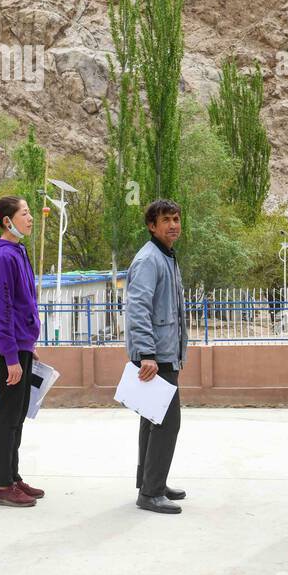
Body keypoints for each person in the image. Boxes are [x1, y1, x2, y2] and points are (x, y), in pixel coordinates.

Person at [0, 196, 44, 508]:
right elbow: (0, 309)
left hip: (21, 345)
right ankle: (1, 485)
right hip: (10, 348)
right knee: (7, 415)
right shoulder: (4, 256)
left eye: (30, 212)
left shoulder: (17, 251)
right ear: (7, 221)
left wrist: (28, 346)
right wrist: (11, 357)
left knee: (17, 415)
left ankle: (12, 475)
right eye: (25, 213)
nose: (30, 218)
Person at [125, 199, 188, 514]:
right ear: (152, 226)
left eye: (176, 219)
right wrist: (147, 353)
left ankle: (151, 482)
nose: (173, 225)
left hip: (163, 354)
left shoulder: (166, 255)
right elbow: (138, 307)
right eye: (166, 220)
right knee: (167, 423)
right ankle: (150, 493)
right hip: (156, 357)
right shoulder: (150, 259)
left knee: (152, 421)